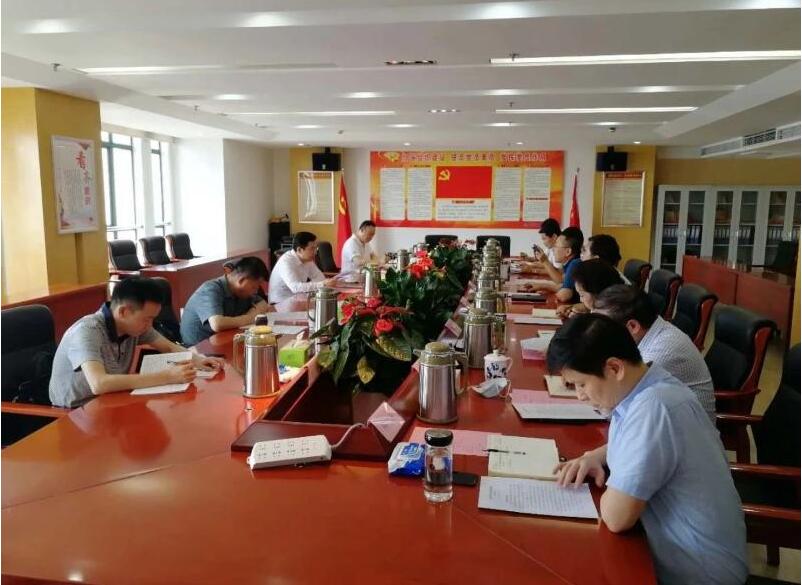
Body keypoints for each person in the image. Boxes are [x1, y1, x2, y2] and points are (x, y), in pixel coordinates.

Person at [548, 314, 747, 585]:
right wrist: (594, 456)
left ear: (614, 368)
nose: (580, 395)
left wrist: (613, 484)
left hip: (695, 574)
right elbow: (640, 440)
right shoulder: (650, 384)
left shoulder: (655, 408)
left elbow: (616, 518)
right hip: (676, 555)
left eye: (581, 384)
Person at [49, 277, 223, 408]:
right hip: (77, 412)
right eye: (147, 319)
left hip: (112, 400)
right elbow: (99, 384)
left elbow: (169, 347)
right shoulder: (87, 331)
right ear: (123, 312)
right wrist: (167, 377)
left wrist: (198, 360)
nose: (150, 325)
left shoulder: (134, 327)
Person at [593, 284, 715, 421]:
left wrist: (589, 386)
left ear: (633, 326)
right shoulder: (649, 332)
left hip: (683, 428)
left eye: (603, 329)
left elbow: (617, 406)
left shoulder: (661, 352)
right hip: (660, 419)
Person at [180, 256, 271, 346]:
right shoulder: (210, 289)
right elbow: (217, 324)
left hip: (222, 342)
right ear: (241, 280)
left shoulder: (242, 292)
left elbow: (263, 303)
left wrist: (251, 314)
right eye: (254, 287)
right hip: (198, 348)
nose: (256, 291)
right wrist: (250, 317)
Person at [268, 231, 337, 304]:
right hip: (279, 303)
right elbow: (295, 287)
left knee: (330, 302)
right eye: (312, 248)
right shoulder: (286, 261)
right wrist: (322, 284)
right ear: (299, 250)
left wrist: (322, 283)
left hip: (297, 298)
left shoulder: (307, 260)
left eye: (316, 248)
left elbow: (320, 277)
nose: (316, 252)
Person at [555, 258, 625, 318]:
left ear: (597, 291)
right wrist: (572, 308)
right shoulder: (607, 305)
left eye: (582, 295)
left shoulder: (611, 316)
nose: (581, 300)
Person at [535, 228, 583, 302]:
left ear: (568, 252)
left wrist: (546, 295)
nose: (553, 249)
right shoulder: (570, 262)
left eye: (556, 246)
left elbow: (563, 295)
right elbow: (562, 285)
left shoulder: (575, 264)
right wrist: (542, 286)